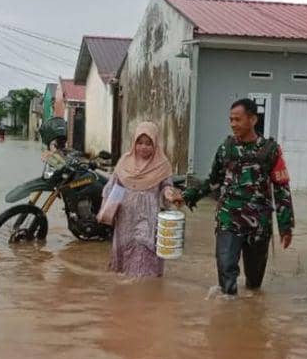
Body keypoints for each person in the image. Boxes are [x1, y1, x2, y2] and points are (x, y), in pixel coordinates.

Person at [183, 99, 294, 295]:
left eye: (237, 119)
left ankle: (249, 319)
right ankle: (228, 317)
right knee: (227, 276)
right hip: (228, 219)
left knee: (254, 283)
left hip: (258, 224)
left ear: (252, 119)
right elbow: (213, 181)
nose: (233, 124)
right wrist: (188, 196)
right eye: (231, 119)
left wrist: (285, 226)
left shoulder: (270, 151)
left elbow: (281, 189)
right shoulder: (226, 148)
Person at [103, 122, 183, 277]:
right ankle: (128, 294)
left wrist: (169, 194)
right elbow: (115, 186)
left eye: (148, 143)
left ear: (155, 144)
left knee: (143, 247)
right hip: (126, 217)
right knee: (125, 256)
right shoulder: (125, 161)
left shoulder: (162, 164)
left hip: (148, 215)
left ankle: (143, 291)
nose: (143, 147)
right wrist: (107, 209)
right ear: (134, 143)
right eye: (139, 143)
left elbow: (166, 186)